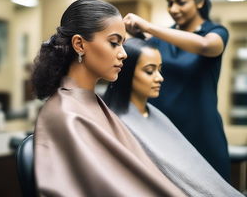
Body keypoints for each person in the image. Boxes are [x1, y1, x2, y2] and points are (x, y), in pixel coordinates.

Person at [31, 0, 187, 196]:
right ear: (79, 44)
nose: (123, 54)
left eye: (122, 43)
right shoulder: (67, 114)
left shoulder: (90, 102)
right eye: (114, 43)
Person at [123, 0, 231, 181]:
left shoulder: (215, 33)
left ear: (200, 1)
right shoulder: (158, 39)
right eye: (169, 3)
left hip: (202, 133)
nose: (174, 9)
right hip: (163, 133)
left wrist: (148, 26)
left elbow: (204, 46)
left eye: (181, 2)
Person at [103, 37, 243, 197]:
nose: (159, 78)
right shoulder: (118, 123)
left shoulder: (156, 115)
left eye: (159, 70)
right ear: (126, 73)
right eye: (150, 71)